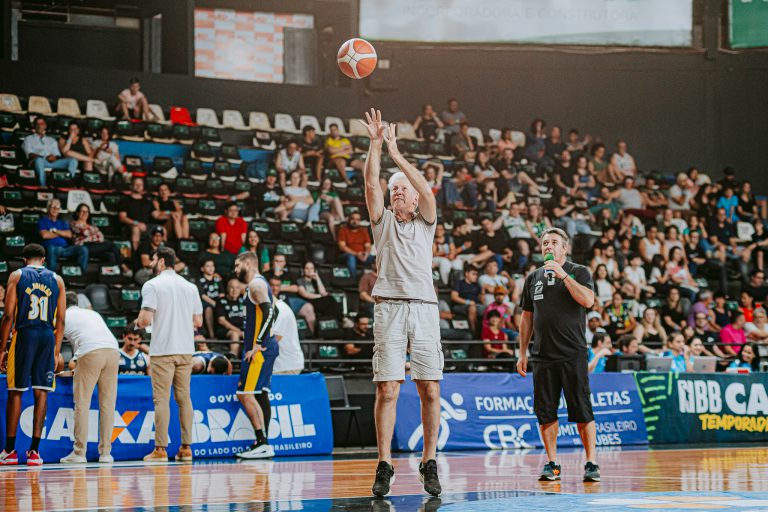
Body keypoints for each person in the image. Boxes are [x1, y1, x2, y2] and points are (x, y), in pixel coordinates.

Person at [360, 109, 442, 497]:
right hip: (389, 307)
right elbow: (370, 184)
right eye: (394, 188)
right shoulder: (383, 222)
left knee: (430, 389)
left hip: (424, 308)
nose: (397, 191)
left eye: (402, 188)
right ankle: (385, 463)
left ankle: (429, 461)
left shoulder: (426, 220)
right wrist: (376, 144)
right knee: (387, 390)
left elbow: (427, 191)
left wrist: (397, 155)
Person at [517, 227, 600, 482]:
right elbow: (526, 318)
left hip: (573, 354)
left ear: (565, 248)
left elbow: (588, 301)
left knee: (582, 410)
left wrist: (563, 275)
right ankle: (553, 463)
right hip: (543, 356)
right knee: (545, 413)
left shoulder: (579, 272)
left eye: (554, 242)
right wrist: (522, 352)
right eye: (545, 243)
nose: (548, 246)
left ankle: (591, 463)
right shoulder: (533, 278)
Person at [0, 244, 66, 466]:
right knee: (42, 392)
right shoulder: (57, 280)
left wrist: (2, 349)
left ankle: (10, 451)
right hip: (47, 336)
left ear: (24, 259)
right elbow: (62, 320)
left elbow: (8, 315)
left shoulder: (17, 275)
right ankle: (34, 453)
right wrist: (56, 351)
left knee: (16, 392)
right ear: (44, 260)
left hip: (24, 335)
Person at [137, 247, 203, 462]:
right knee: (184, 399)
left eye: (153, 259)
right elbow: (198, 321)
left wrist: (138, 322)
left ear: (162, 262)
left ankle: (160, 450)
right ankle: (186, 448)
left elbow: (145, 320)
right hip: (186, 350)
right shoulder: (190, 287)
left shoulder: (152, 285)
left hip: (163, 350)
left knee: (161, 401)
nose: (150, 263)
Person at [60, 291, 120, 464]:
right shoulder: (92, 313)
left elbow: (53, 343)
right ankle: (106, 453)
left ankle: (79, 453)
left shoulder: (64, 315)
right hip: (113, 351)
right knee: (108, 404)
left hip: (90, 351)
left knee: (82, 404)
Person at [232, 251, 280, 459]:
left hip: (258, 350)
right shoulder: (261, 284)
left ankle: (262, 442)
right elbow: (275, 311)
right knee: (260, 394)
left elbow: (269, 313)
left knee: (244, 394)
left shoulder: (255, 285)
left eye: (237, 265)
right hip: (264, 347)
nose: (235, 270)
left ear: (248, 263)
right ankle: (262, 442)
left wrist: (258, 344)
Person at [22, 116, 77, 187]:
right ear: (34, 126)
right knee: (39, 160)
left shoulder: (51, 140)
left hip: (52, 162)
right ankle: (43, 186)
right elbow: (29, 154)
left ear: (45, 126)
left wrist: (54, 157)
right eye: (38, 124)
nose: (40, 126)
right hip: (38, 162)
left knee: (73, 161)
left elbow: (57, 155)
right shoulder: (28, 139)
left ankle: (67, 183)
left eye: (42, 123)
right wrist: (45, 157)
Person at [37, 198, 89, 273]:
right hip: (51, 248)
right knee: (51, 248)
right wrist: (61, 234)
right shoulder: (42, 221)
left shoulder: (62, 222)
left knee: (84, 249)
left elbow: (69, 234)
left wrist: (54, 231)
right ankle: (51, 275)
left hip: (65, 248)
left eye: (57, 208)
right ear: (48, 208)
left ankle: (80, 273)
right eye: (53, 207)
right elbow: (45, 235)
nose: (55, 209)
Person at [269, 277, 305, 375]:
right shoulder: (273, 309)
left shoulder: (280, 310)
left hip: (287, 367)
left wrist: (255, 349)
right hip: (280, 365)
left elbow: (275, 339)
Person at [118, 176, 155, 251]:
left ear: (143, 187)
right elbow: (122, 218)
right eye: (136, 184)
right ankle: (136, 254)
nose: (138, 186)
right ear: (131, 186)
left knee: (161, 229)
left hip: (146, 226)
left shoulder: (147, 202)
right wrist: (137, 223)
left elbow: (156, 215)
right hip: (130, 226)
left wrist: (171, 214)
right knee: (136, 229)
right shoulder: (125, 201)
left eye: (140, 184)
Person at [215, 279, 247, 356]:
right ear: (227, 289)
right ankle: (234, 357)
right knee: (234, 334)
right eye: (232, 287)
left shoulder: (244, 300)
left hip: (242, 330)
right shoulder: (220, 301)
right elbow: (221, 320)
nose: (234, 290)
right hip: (226, 330)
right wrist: (238, 331)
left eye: (237, 288)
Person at [337, 212, 374, 277]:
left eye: (357, 220)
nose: (355, 221)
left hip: (362, 255)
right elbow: (342, 247)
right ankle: (353, 280)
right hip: (347, 255)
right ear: (349, 219)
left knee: (377, 258)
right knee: (351, 257)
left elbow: (368, 246)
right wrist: (356, 254)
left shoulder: (363, 231)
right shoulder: (343, 230)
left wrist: (366, 254)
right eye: (352, 219)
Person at [197, 257, 224, 339]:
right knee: (208, 308)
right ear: (202, 269)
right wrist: (214, 303)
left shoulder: (217, 279)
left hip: (218, 302)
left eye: (212, 266)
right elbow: (203, 295)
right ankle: (212, 336)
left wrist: (219, 303)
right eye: (208, 266)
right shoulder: (199, 280)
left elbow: (222, 293)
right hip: (205, 303)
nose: (211, 268)